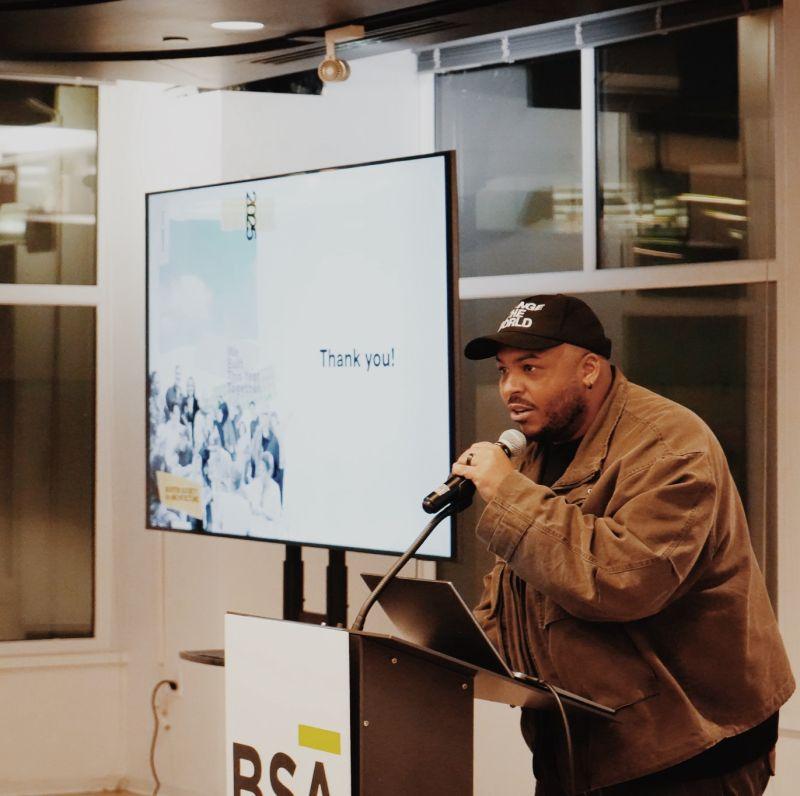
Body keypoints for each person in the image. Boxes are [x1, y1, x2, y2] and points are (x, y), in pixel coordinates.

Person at [451, 294, 794, 795]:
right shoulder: (541, 447)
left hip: (691, 752)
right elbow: (526, 577)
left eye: (530, 367)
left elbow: (621, 579)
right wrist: (461, 649)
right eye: (504, 371)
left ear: (589, 369)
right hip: (584, 744)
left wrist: (507, 494)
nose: (511, 389)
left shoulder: (672, 447)